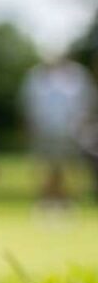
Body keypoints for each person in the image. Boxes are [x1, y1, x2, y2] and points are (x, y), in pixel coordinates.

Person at [21, 58, 97, 205]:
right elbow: (28, 106)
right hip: (44, 131)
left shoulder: (78, 74)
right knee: (45, 167)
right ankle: (46, 202)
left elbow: (87, 104)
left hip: (72, 132)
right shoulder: (35, 76)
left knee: (69, 169)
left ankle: (68, 203)